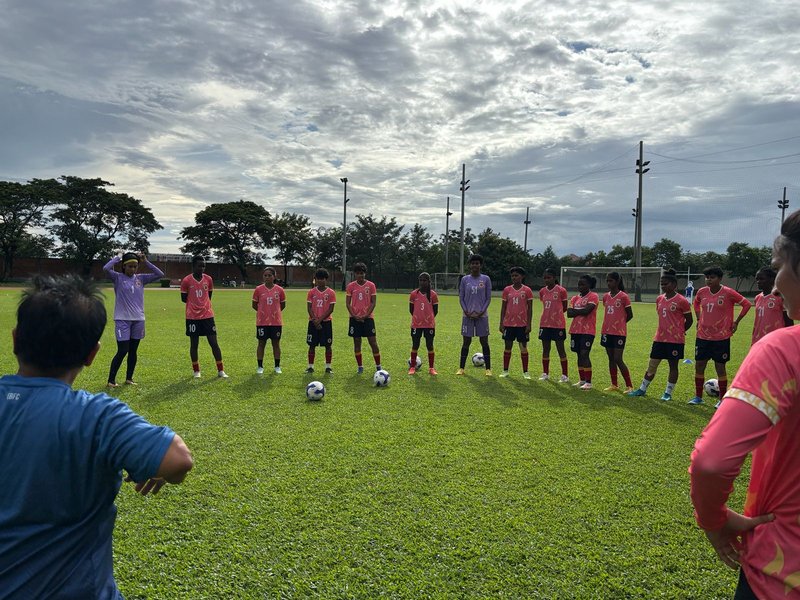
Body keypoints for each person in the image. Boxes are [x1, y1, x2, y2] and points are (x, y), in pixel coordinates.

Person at [0, 275, 193, 598]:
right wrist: (150, 465)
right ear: (92, 354)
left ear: (16, 339)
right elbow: (178, 460)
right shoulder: (97, 417)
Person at [689, 210, 800, 599]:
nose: (773, 287)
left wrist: (714, 520)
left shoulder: (785, 348)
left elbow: (711, 461)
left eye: (778, 268)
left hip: (782, 572)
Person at [688, 266, 751, 406]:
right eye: (707, 277)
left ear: (720, 278)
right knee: (699, 366)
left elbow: (746, 304)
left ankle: (721, 400)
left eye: (712, 277)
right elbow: (696, 302)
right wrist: (699, 318)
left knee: (720, 367)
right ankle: (698, 397)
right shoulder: (702, 292)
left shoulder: (728, 293)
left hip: (721, 337)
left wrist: (736, 322)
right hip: (703, 336)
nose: (709, 280)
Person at [627, 269, 693, 401]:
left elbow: (690, 320)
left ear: (674, 285)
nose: (663, 286)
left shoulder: (682, 300)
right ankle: (642, 389)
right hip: (659, 339)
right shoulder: (659, 299)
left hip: (675, 341)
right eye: (662, 284)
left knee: (673, 366)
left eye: (666, 284)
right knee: (652, 365)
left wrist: (680, 331)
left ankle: (668, 393)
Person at [103, 251, 164, 387]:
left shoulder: (141, 279)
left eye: (135, 266)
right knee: (123, 350)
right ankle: (111, 381)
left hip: (138, 320)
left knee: (133, 351)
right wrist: (118, 257)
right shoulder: (117, 278)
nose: (132, 269)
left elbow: (160, 274)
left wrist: (146, 261)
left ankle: (129, 378)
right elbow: (106, 268)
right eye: (129, 266)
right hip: (122, 320)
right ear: (124, 266)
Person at [180, 255, 228, 379]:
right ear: (193, 266)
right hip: (192, 317)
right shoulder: (186, 280)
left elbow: (209, 295)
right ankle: (196, 371)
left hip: (207, 316)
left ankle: (221, 370)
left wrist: (203, 306)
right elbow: (184, 299)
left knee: (214, 343)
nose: (202, 268)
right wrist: (195, 306)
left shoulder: (208, 279)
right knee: (194, 344)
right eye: (199, 266)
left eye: (204, 266)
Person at [456, 254, 492, 376]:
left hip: (482, 316)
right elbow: (461, 298)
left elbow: (488, 298)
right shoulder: (465, 280)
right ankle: (461, 368)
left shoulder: (486, 279)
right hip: (467, 316)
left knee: (484, 341)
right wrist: (466, 311)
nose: (475, 265)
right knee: (466, 341)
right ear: (470, 265)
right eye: (473, 263)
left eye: (477, 263)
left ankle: (488, 369)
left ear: (480, 265)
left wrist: (481, 312)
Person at [600, 272, 634, 392]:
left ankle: (629, 386)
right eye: (607, 281)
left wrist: (620, 325)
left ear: (617, 281)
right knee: (610, 358)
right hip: (606, 331)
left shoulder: (623, 296)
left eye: (611, 281)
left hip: (619, 333)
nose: (609, 283)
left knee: (618, 358)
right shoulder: (605, 296)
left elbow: (630, 315)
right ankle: (614, 384)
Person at [346, 262, 382, 374]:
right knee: (357, 342)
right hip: (354, 318)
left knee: (373, 342)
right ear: (354, 274)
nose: (360, 276)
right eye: (358, 273)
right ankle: (360, 366)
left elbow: (373, 302)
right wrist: (355, 315)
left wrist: (366, 315)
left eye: (362, 273)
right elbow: (348, 303)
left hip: (368, 318)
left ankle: (378, 366)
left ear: (365, 274)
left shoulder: (371, 285)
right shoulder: (350, 286)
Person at [499, 266, 534, 379]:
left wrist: (529, 324)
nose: (514, 277)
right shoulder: (507, 290)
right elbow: (503, 308)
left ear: (522, 277)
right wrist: (501, 323)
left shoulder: (527, 290)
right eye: (512, 276)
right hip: (509, 324)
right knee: (507, 347)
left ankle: (525, 372)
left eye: (516, 275)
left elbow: (530, 309)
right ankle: (505, 371)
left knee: (523, 348)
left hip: (522, 325)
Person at [567, 275, 599, 390]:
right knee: (579, 354)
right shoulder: (574, 298)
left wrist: (577, 311)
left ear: (589, 285)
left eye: (583, 284)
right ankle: (582, 380)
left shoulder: (593, 296)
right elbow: (569, 313)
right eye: (579, 284)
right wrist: (582, 310)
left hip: (588, 331)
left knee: (585, 354)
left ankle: (589, 382)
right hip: (575, 330)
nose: (580, 286)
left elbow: (587, 311)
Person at [252, 266, 286, 374]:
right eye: (265, 275)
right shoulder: (258, 289)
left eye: (269, 275)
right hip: (262, 322)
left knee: (276, 344)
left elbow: (282, 305)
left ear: (274, 277)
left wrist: (274, 313)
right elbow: (254, 305)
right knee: (261, 343)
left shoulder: (280, 290)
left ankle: (277, 366)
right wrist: (263, 312)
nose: (267, 277)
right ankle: (260, 366)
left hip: (276, 322)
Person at [538, 267, 570, 383]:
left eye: (549, 277)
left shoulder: (561, 290)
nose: (546, 280)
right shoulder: (542, 291)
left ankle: (565, 375)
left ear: (554, 278)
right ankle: (545, 373)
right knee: (546, 349)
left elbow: (565, 307)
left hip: (558, 324)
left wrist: (556, 315)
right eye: (545, 278)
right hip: (545, 323)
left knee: (560, 349)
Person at [752, 266, 792, 345]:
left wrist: (788, 340)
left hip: (775, 340)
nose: (758, 281)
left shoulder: (780, 296)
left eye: (761, 279)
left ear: (771, 279)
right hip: (758, 340)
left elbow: (789, 322)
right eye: (757, 279)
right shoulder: (757, 298)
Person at [408, 272, 439, 375]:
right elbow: (411, 310)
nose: (422, 282)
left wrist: (427, 319)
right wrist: (418, 318)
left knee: (430, 345)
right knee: (415, 345)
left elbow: (435, 311)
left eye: (424, 280)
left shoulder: (433, 295)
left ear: (429, 282)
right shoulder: (413, 294)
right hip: (416, 324)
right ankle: (412, 367)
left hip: (429, 325)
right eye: (421, 280)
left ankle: (431, 368)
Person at [306, 268, 335, 374]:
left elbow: (331, 309)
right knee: (311, 345)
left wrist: (320, 320)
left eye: (322, 279)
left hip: (326, 322)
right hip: (313, 323)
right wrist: (315, 320)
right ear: (315, 280)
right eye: (318, 279)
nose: (320, 281)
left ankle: (328, 367)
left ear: (326, 279)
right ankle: (310, 366)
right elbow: (309, 308)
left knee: (328, 345)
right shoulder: (311, 292)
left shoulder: (331, 292)